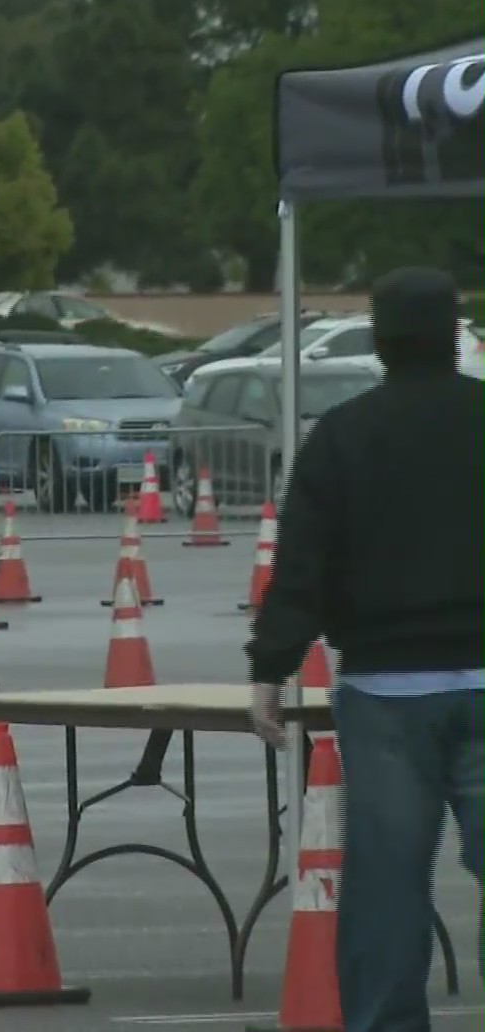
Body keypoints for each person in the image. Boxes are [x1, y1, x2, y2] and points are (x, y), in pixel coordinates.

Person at [246, 266, 483, 1032]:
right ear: (454, 334)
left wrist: (270, 667)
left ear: (379, 340)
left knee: (387, 888)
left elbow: (302, 566)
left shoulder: (343, 436)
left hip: (386, 691)